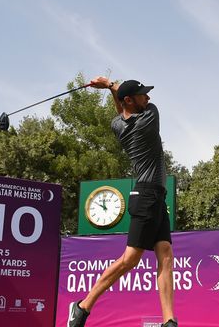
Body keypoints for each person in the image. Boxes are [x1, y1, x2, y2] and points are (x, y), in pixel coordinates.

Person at [67, 77, 177, 327]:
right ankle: (82, 306)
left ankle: (169, 320)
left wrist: (110, 89)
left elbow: (122, 112)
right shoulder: (150, 119)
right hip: (147, 196)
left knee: (166, 254)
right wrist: (109, 84)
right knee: (130, 260)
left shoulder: (118, 124)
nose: (147, 98)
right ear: (128, 100)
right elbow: (126, 105)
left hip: (156, 198)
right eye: (142, 95)